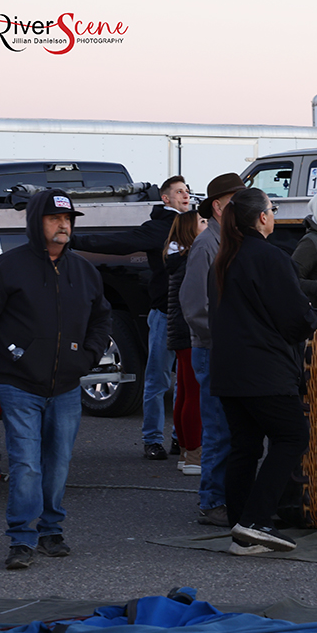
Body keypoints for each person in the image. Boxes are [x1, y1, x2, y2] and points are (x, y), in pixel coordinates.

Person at [0, 189, 112, 570]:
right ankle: (21, 540)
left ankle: (51, 530)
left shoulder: (84, 271)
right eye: (54, 218)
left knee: (58, 461)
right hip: (19, 384)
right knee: (27, 463)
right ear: (35, 222)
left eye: (68, 219)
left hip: (65, 387)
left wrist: (87, 356)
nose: (63, 225)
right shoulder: (7, 267)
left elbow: (102, 319)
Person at [209, 187, 317, 555]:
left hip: (229, 370)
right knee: (292, 436)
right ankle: (255, 520)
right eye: (272, 209)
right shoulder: (270, 258)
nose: (274, 214)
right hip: (264, 369)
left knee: (244, 446)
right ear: (261, 217)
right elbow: (295, 320)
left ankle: (241, 529)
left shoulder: (224, 259)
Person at [71, 176, 190, 460]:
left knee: (187, 381)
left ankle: (181, 437)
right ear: (165, 198)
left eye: (187, 190)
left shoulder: (196, 226)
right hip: (165, 313)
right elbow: (120, 242)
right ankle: (152, 439)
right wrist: (74, 239)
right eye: (179, 192)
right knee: (158, 379)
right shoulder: (158, 228)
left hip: (192, 315)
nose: (186, 195)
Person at [181, 173, 246, 527]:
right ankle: (212, 501)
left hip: (227, 347)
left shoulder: (229, 241)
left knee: (231, 427)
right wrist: (223, 337)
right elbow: (194, 306)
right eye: (235, 201)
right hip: (213, 348)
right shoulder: (208, 245)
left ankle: (223, 497)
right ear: (219, 207)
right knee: (219, 428)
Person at [165, 210, 207, 475]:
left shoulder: (177, 258)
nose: (207, 225)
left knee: (184, 393)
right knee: (193, 394)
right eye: (202, 222)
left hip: (180, 332)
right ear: (190, 230)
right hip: (190, 332)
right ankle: (194, 454)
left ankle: (185, 451)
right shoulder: (191, 257)